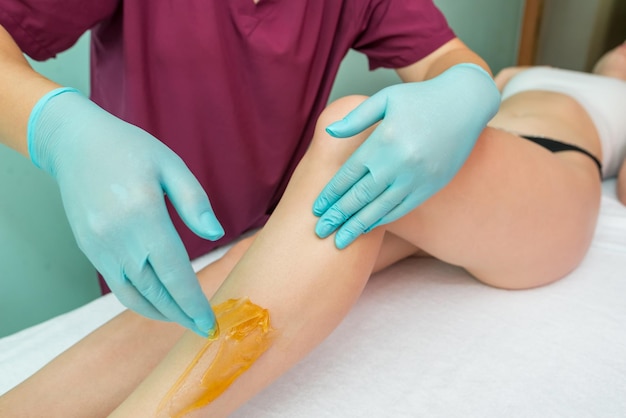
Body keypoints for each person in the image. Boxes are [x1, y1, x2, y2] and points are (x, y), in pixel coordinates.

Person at [2, 41, 626, 418]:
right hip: (456, 176)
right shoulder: (531, 70)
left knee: (350, 135)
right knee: (277, 255)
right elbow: (455, 70)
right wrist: (470, 86)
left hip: (551, 171)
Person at [0, 1, 499, 336]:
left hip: (272, 245)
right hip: (142, 239)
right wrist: (56, 129)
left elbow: (446, 58)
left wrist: (467, 88)